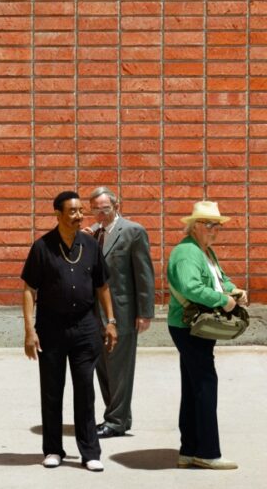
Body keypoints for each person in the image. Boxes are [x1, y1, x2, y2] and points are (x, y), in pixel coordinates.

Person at [21, 191, 118, 472]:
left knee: (85, 391)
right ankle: (53, 449)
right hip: (51, 329)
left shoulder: (90, 244)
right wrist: (29, 331)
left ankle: (89, 452)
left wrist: (110, 321)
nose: (79, 216)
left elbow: (102, 286)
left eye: (80, 211)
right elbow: (29, 289)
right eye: (72, 211)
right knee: (52, 390)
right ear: (58, 214)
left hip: (86, 328)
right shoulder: (42, 247)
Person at [167, 200, 248, 470]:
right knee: (204, 386)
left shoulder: (204, 251)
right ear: (197, 226)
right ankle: (208, 452)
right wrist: (222, 300)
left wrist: (234, 291)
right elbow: (191, 287)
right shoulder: (187, 253)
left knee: (193, 387)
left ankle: (189, 450)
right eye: (211, 225)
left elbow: (219, 280)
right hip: (190, 327)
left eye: (218, 226)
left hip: (195, 326)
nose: (216, 231)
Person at [86, 186, 154, 438]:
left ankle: (115, 421)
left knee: (119, 368)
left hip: (123, 311)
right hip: (95, 313)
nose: (100, 214)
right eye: (95, 209)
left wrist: (145, 312)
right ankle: (117, 417)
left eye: (105, 208)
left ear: (116, 206)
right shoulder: (91, 234)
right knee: (103, 367)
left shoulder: (133, 232)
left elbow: (144, 273)